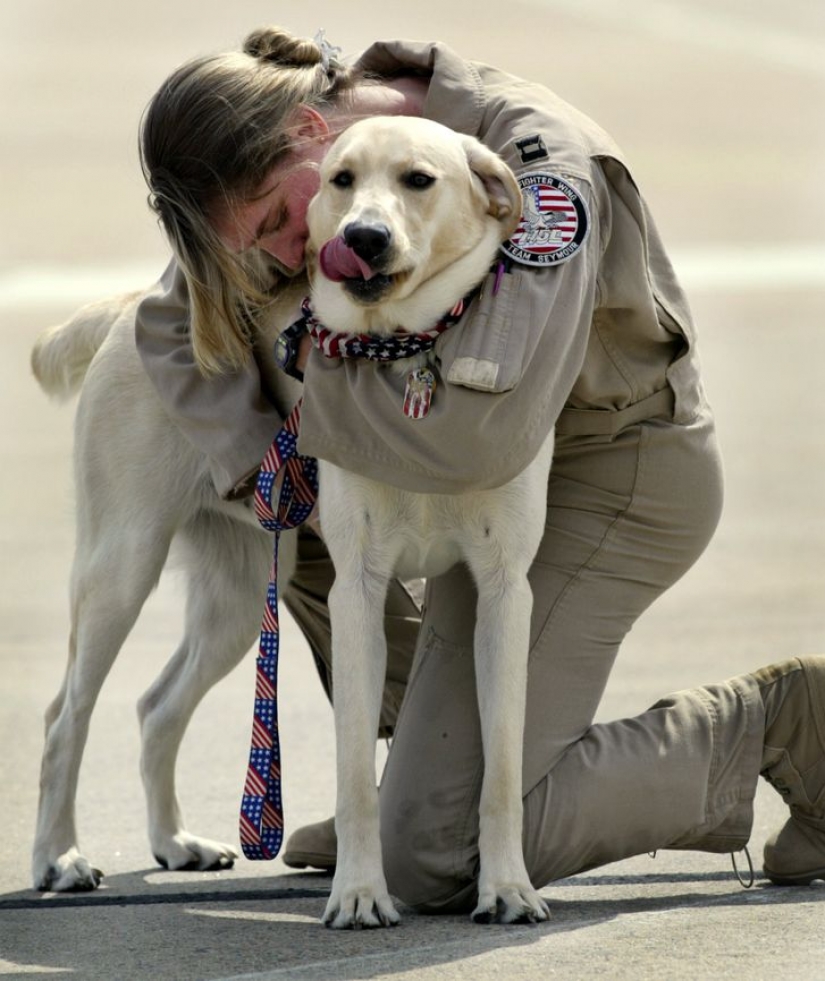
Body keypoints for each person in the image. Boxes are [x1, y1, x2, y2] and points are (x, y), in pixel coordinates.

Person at [135, 25, 825, 914]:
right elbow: (168, 321)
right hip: (440, 467)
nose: (281, 255)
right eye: (257, 244)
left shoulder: (538, 167)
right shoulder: (324, 176)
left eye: (274, 224)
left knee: (435, 855)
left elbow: (479, 440)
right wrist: (264, 459)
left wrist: (313, 401)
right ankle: (415, 780)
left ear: (307, 130)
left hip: (609, 470)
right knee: (298, 510)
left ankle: (782, 724)